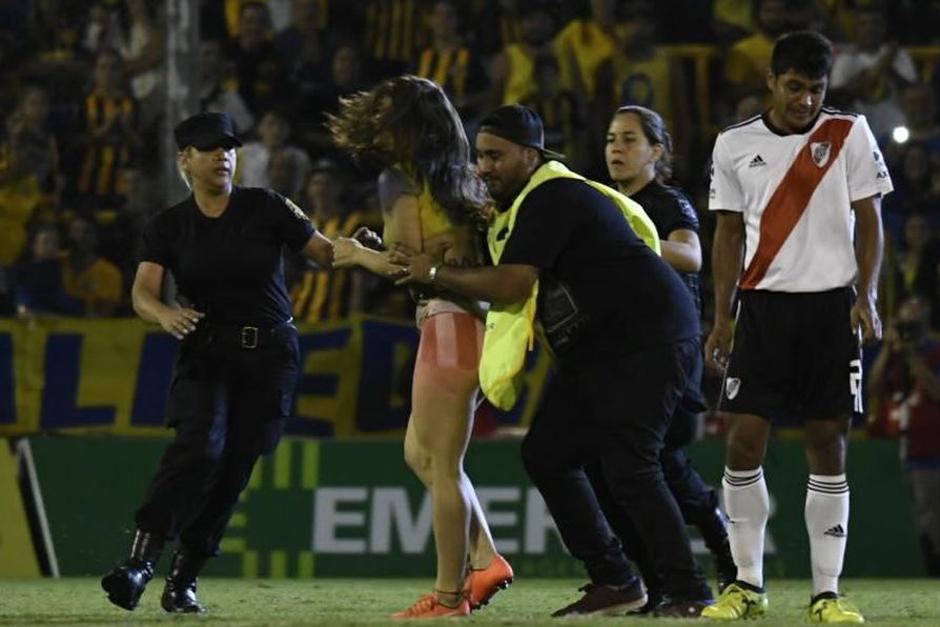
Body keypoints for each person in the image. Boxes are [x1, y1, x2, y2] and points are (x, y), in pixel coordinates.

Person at [393, 104, 713, 617]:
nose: (484, 168)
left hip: (648, 338)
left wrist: (431, 270)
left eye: (496, 156)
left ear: (530, 155)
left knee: (631, 465)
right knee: (549, 452)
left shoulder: (552, 195)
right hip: (599, 351)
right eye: (480, 156)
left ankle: (690, 591)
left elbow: (511, 284)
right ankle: (617, 580)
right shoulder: (524, 207)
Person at [100, 112, 333, 613]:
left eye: (228, 147)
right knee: (199, 445)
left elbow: (326, 254)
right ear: (184, 159)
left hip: (270, 356)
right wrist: (164, 313)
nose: (223, 156)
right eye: (209, 148)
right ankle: (139, 562)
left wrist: (365, 250)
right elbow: (142, 293)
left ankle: (183, 580)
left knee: (232, 469)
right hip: (207, 351)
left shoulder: (266, 206)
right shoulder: (169, 226)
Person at [703, 31, 892, 623]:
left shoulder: (850, 133)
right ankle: (746, 586)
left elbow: (871, 220)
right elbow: (728, 233)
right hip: (760, 312)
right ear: (771, 81)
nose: (806, 100)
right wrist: (722, 319)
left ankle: (826, 593)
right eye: (794, 87)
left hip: (830, 310)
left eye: (816, 89)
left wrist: (869, 295)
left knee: (827, 445)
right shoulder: (734, 144)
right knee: (742, 441)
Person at [327, 76, 510, 619]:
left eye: (386, 111)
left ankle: (450, 597)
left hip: (448, 323)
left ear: (406, 123)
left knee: (444, 465)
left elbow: (406, 265)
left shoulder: (399, 180)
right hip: (472, 323)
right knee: (419, 454)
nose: (377, 120)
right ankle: (485, 556)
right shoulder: (461, 179)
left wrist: (358, 256)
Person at [601, 104, 736, 609]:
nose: (616, 148)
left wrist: (628, 244)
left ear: (656, 152)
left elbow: (690, 255)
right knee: (640, 464)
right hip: (621, 353)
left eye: (630, 140)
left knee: (657, 462)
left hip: (669, 353)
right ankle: (664, 577)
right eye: (612, 139)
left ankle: (713, 550)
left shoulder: (667, 201)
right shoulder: (604, 202)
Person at [867, 295, 940, 577]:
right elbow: (872, 389)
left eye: (913, 321)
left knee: (932, 516)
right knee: (911, 514)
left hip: (931, 448)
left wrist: (911, 355)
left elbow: (935, 390)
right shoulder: (892, 356)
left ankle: (933, 568)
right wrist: (888, 349)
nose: (908, 327)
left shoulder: (934, 352)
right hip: (898, 447)